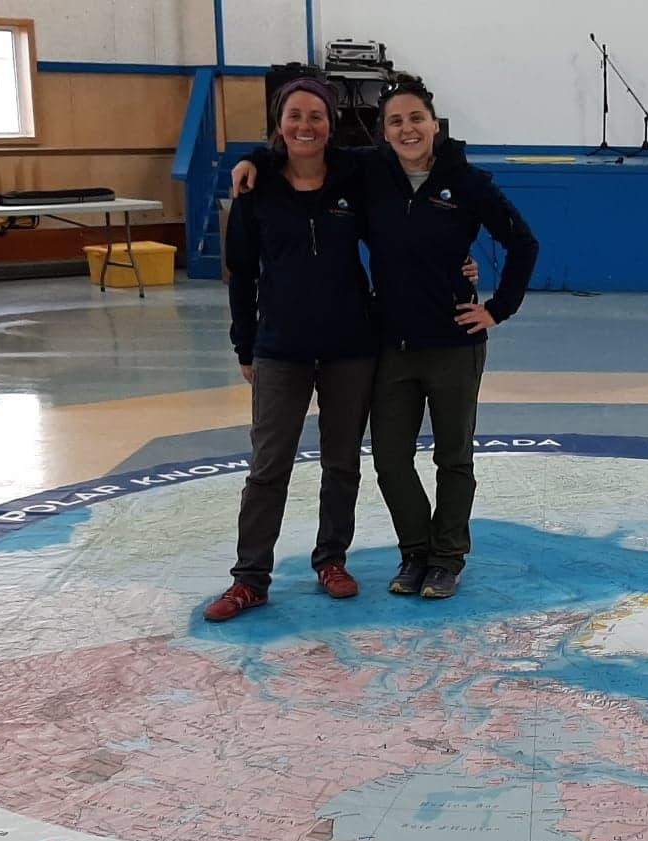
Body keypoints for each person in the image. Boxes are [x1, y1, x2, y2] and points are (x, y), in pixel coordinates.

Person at [231, 74, 539, 600]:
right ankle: (414, 550)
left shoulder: (466, 181)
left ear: (435, 124)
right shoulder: (369, 172)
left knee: (452, 458)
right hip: (387, 343)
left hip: (450, 343)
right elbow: (299, 154)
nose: (407, 128)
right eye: (395, 120)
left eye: (416, 118)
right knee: (389, 460)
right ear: (382, 132)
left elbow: (523, 244)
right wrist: (255, 160)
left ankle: (446, 558)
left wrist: (496, 310)